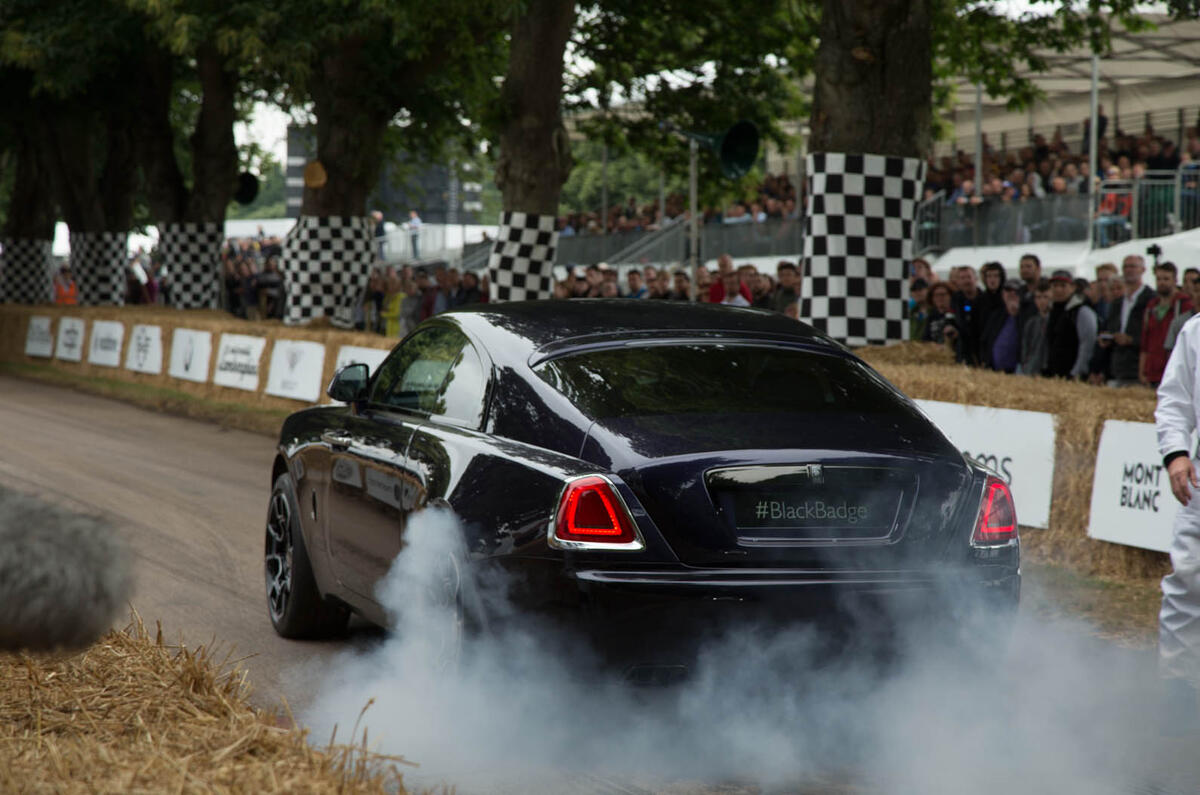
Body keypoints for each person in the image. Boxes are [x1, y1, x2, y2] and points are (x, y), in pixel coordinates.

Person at [1153, 310, 1200, 725]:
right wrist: (1176, 453)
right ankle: (1179, 691)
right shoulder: (1196, 330)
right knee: (1187, 581)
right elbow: (1174, 399)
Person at [1093, 254, 1154, 386]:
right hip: (1117, 368)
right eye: (1126, 266)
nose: (1129, 270)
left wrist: (1131, 340)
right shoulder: (1118, 302)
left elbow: (1155, 335)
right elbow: (1111, 328)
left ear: (1143, 270)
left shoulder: (1151, 299)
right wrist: (1108, 338)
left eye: (1133, 266)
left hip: (1140, 368)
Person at [1141, 262, 1193, 388]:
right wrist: (1142, 370)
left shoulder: (1184, 305)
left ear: (1175, 280)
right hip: (1153, 371)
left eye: (1166, 279)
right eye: (1159, 279)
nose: (1162, 282)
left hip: (1172, 370)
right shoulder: (1151, 306)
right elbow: (1145, 342)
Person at [1044, 269, 1098, 379]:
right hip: (1055, 376)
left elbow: (1087, 344)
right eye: (1055, 286)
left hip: (1073, 376)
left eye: (1063, 286)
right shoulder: (1051, 312)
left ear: (1073, 288)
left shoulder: (1082, 311)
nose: (1058, 289)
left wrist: (1076, 372)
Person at [981, 280, 1023, 373]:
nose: (1012, 293)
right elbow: (985, 339)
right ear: (1003, 294)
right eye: (1008, 291)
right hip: (994, 370)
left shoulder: (1027, 315)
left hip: (1017, 371)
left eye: (1016, 291)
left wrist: (1017, 314)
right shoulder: (996, 315)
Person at [1020, 279, 1051, 376]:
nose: (1042, 301)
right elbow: (1025, 347)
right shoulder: (1031, 322)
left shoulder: (1055, 321)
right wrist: (1026, 365)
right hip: (1031, 369)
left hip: (1048, 369)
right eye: (1038, 297)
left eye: (1045, 297)